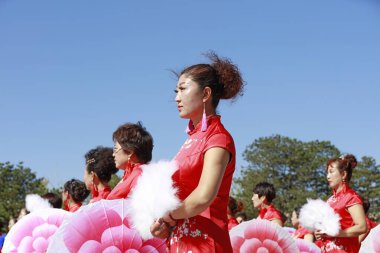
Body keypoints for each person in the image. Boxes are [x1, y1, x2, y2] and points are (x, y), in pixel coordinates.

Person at [150, 52, 244, 253]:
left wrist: (169, 215)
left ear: (205, 94)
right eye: (176, 91)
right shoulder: (191, 140)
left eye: (183, 89)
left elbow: (203, 197)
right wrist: (164, 223)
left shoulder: (218, 138)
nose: (176, 98)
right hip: (181, 241)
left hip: (206, 243)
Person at [314, 154, 367, 253]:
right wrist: (320, 232)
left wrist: (335, 233)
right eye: (327, 172)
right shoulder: (330, 200)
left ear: (343, 174)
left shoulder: (351, 198)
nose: (327, 176)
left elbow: (362, 227)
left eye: (331, 172)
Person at [106, 122, 153, 200]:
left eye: (115, 149)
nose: (113, 154)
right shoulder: (130, 175)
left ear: (130, 151)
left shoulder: (139, 175)